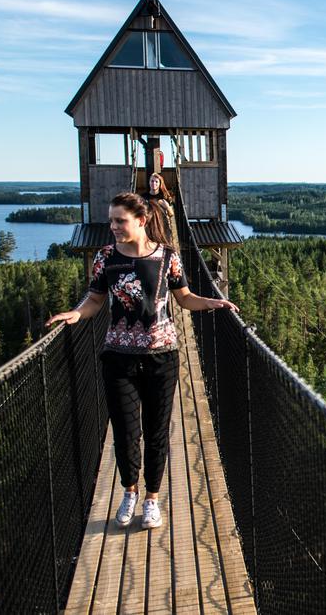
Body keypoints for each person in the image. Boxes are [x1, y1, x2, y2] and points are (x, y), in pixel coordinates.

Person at [46, 192, 237, 530]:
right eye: (111, 220)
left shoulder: (167, 257)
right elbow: (94, 299)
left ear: (141, 220)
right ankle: (129, 491)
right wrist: (76, 314)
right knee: (125, 432)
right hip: (118, 358)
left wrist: (212, 303)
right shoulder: (106, 257)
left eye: (120, 220)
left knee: (156, 431)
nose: (113, 226)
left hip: (161, 356)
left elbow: (184, 298)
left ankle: (151, 498)